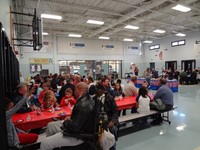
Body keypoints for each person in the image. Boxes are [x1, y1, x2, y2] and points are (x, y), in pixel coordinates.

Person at [40, 82, 96, 150]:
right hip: (80, 128)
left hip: (78, 135)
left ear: (79, 90)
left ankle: (52, 144)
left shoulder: (82, 104)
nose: (74, 92)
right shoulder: (87, 99)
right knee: (50, 125)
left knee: (44, 143)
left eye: (75, 90)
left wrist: (66, 122)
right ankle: (54, 146)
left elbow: (75, 127)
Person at [95, 83, 119, 150]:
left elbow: (116, 111)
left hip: (108, 120)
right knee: (97, 133)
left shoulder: (109, 98)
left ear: (101, 90)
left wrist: (112, 121)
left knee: (113, 129)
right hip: (98, 122)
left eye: (97, 90)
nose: (96, 92)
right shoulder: (94, 99)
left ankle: (112, 145)